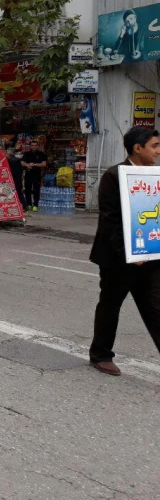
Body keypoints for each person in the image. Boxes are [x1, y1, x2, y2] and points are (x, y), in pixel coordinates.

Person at [88, 126, 160, 376]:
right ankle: (100, 355)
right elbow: (110, 221)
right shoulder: (114, 175)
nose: (158, 151)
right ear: (137, 148)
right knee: (110, 305)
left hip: (150, 256)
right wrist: (130, 254)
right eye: (154, 146)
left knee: (155, 307)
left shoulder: (155, 176)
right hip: (117, 259)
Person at [22, 145, 47, 211]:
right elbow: (22, 162)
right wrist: (27, 165)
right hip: (28, 173)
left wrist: (35, 164)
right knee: (27, 189)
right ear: (30, 146)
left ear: (37, 146)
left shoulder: (41, 154)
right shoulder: (27, 154)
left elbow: (44, 164)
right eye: (32, 145)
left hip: (37, 174)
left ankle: (36, 205)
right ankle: (28, 204)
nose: (34, 147)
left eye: (35, 145)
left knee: (36, 190)